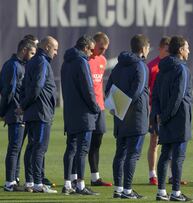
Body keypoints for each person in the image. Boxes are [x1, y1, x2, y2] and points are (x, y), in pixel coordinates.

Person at [106, 34, 150, 199]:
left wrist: (117, 107)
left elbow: (108, 87)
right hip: (136, 115)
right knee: (132, 154)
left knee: (120, 153)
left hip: (120, 115)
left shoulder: (119, 66)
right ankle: (127, 190)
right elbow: (137, 91)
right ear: (143, 48)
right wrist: (125, 106)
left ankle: (118, 189)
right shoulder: (140, 66)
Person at [152, 36, 193, 201]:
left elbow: (155, 95)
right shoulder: (182, 69)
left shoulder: (162, 69)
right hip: (179, 118)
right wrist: (167, 116)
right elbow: (178, 96)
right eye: (187, 48)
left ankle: (161, 192)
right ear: (181, 50)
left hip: (165, 118)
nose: (189, 51)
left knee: (165, 155)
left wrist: (158, 115)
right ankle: (176, 192)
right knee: (178, 156)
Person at [18, 36, 58, 193]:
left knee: (32, 148)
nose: (56, 53)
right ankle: (38, 184)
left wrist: (23, 105)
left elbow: (24, 86)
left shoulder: (32, 61)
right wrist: (25, 105)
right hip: (41, 112)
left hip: (33, 112)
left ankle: (30, 182)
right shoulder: (42, 62)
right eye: (54, 49)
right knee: (39, 148)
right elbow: (37, 87)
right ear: (47, 47)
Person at [61, 35, 100, 195]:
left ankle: (67, 183)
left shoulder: (65, 62)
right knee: (82, 149)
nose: (92, 53)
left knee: (70, 148)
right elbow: (88, 89)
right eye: (91, 50)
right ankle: (81, 185)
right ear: (85, 48)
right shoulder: (81, 62)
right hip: (84, 113)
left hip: (70, 112)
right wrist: (95, 107)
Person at [0, 39, 36, 192]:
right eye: (32, 53)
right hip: (15, 112)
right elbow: (9, 91)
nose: (33, 56)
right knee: (14, 148)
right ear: (24, 50)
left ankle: (14, 179)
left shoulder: (17, 65)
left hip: (18, 112)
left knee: (17, 148)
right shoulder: (14, 66)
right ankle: (9, 183)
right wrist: (2, 111)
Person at [85, 32, 112, 187]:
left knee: (97, 140)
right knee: (83, 143)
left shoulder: (102, 60)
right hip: (87, 108)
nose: (103, 51)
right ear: (93, 44)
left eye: (105, 49)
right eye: (101, 48)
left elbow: (99, 84)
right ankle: (75, 177)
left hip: (100, 107)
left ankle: (95, 177)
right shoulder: (85, 61)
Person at [147, 36, 171, 186]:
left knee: (172, 142)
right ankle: (152, 174)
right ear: (161, 48)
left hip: (169, 109)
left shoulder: (172, 65)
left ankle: (172, 175)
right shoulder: (152, 67)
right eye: (167, 49)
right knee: (154, 142)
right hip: (155, 109)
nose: (169, 52)